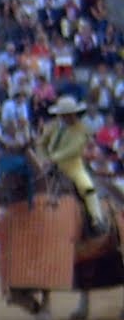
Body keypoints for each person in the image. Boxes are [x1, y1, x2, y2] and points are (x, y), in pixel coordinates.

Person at [37, 95, 108, 234]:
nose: (65, 118)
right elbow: (41, 143)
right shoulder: (53, 126)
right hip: (50, 167)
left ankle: (96, 218)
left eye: (68, 115)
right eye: (62, 115)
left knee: (87, 187)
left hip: (72, 167)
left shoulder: (81, 129)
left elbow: (74, 149)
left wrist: (52, 158)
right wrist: (43, 158)